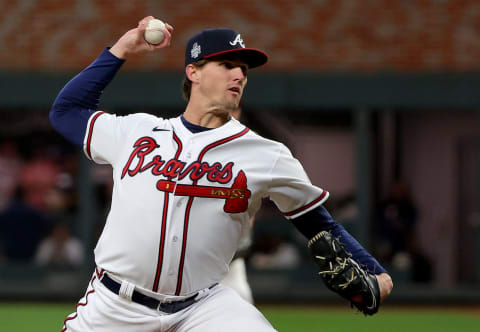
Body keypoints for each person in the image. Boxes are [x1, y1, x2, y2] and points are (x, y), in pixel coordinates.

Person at [50, 16, 393, 332]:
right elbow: (66, 111)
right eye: (227, 64)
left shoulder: (266, 154)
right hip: (116, 306)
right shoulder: (138, 132)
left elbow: (320, 225)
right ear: (193, 72)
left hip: (203, 307)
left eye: (243, 69)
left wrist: (376, 272)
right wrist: (122, 48)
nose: (239, 75)